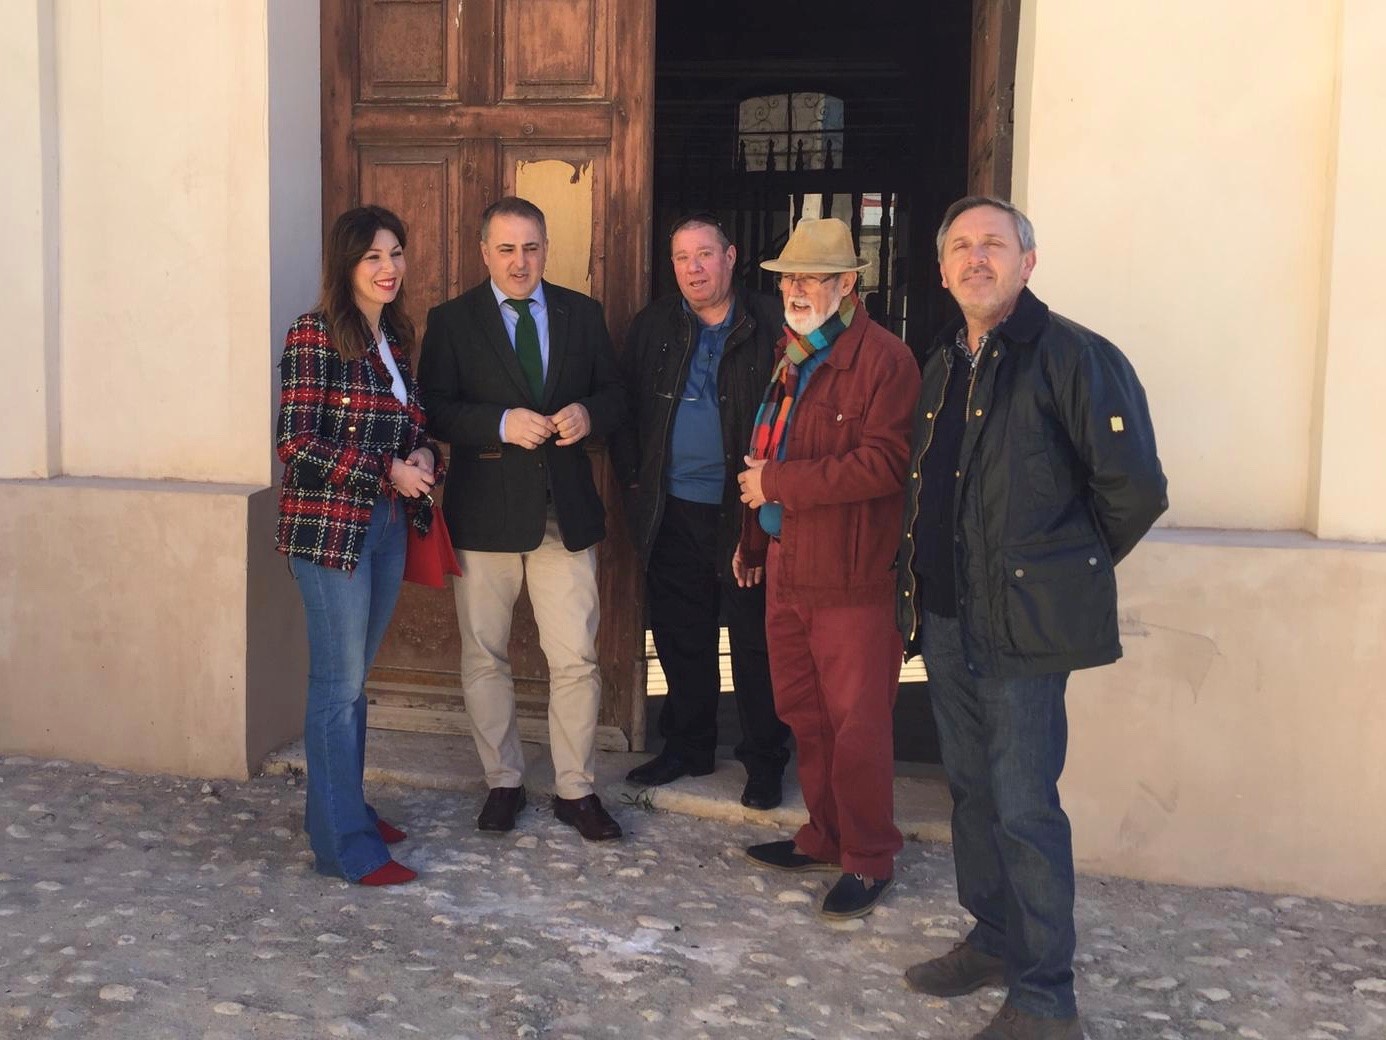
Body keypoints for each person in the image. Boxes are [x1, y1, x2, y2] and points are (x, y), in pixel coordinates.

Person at [896, 196, 1167, 1040]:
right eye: (961, 248)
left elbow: (1134, 492)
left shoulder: (1076, 358)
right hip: (945, 620)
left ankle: (1048, 995)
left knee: (1023, 804)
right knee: (972, 794)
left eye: (994, 245)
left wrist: (1057, 578)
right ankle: (994, 935)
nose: (977, 259)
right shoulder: (941, 364)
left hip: (1020, 632)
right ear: (942, 270)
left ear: (1028, 260)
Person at [418, 196, 626, 842]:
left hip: (563, 514)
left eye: (531, 247)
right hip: (483, 518)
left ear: (546, 249)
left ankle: (575, 789)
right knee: (484, 655)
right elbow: (435, 410)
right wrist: (502, 423)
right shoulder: (452, 322)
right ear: (484, 253)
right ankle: (503, 781)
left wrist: (590, 415)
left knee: (577, 661)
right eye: (506, 249)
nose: (519, 261)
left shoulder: (581, 315)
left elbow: (617, 397)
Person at [735, 217, 920, 919]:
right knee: (804, 714)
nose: (796, 288)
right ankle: (824, 834)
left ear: (848, 284)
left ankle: (869, 858)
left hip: (852, 576)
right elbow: (764, 454)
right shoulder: (795, 353)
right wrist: (754, 542)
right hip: (790, 565)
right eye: (788, 277)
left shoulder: (885, 360)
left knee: (858, 726)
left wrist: (778, 487)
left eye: (812, 277)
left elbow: (883, 464)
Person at [275, 205, 443, 887]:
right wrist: (386, 472)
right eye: (374, 256)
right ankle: (345, 845)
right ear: (347, 264)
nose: (389, 268)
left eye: (397, 253)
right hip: (331, 533)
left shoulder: (394, 340)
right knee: (337, 689)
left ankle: (344, 810)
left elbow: (411, 423)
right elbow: (295, 442)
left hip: (388, 528)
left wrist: (425, 454)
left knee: (353, 685)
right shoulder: (314, 335)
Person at [611, 212, 790, 810]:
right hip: (672, 508)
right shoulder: (654, 325)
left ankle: (765, 760)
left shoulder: (768, 321)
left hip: (744, 509)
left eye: (705, 254)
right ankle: (688, 746)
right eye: (682, 257)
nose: (693, 268)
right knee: (681, 635)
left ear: (731, 255)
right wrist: (638, 484)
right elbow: (626, 410)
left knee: (755, 640)